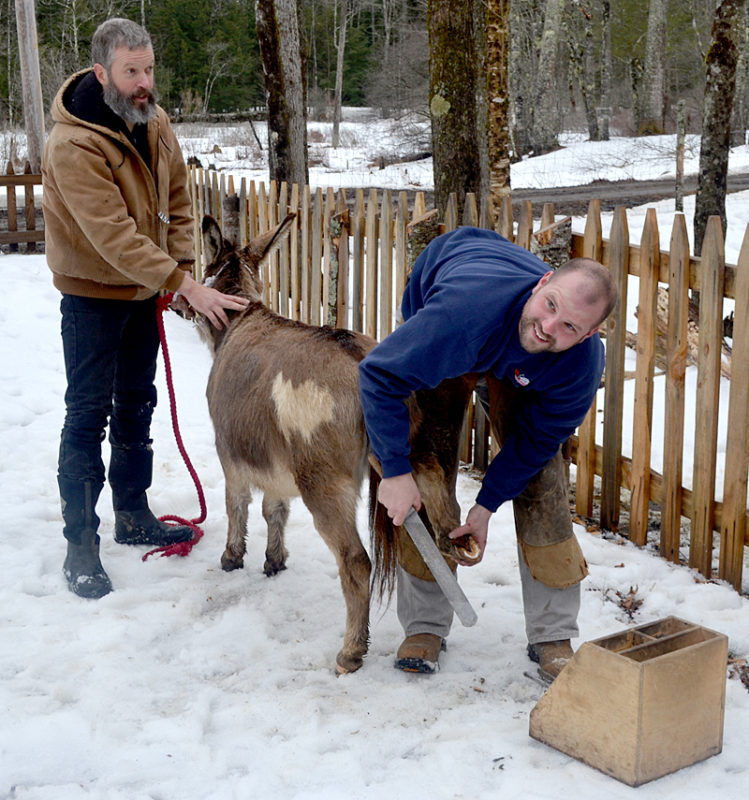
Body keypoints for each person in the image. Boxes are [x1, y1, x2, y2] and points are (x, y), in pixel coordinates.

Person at [42, 18, 247, 599]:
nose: (144, 82)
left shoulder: (153, 120)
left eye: (149, 69)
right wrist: (184, 283)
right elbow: (111, 236)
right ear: (103, 72)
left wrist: (176, 266)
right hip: (92, 294)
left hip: (142, 292)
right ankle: (81, 543)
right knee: (87, 413)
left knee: (137, 402)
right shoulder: (73, 142)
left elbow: (178, 198)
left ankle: (132, 514)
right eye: (132, 71)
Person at [358, 225, 618, 680]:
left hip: (518, 359)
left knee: (543, 479)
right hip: (462, 314)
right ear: (542, 283)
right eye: (550, 304)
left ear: (590, 334)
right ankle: (424, 624)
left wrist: (486, 506)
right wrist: (396, 473)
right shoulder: (458, 316)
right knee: (428, 469)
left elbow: (535, 443)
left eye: (570, 326)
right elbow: (379, 376)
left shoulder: (578, 364)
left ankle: (553, 632)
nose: (549, 326)